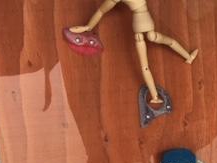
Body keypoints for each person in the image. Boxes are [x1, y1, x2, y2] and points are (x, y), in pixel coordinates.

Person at [69, 0, 198, 103]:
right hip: (145, 21)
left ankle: (155, 96)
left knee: (145, 65)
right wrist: (88, 27)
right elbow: (101, 11)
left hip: (139, 24)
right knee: (157, 41)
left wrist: (88, 26)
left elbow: (101, 11)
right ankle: (188, 58)